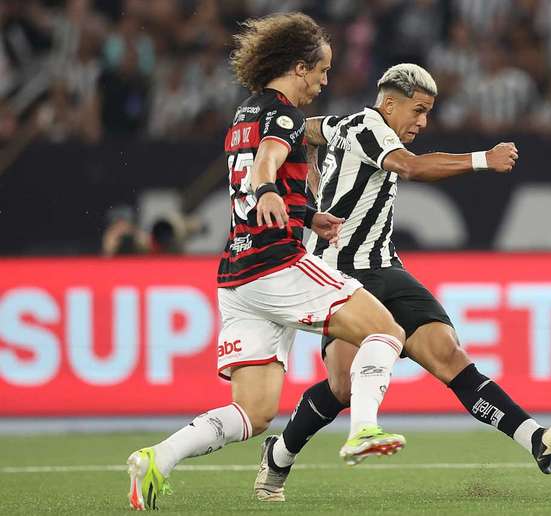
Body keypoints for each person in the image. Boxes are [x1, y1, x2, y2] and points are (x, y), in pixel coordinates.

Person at [253, 63, 551, 502]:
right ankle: (278, 455)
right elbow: (409, 169)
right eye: (418, 110)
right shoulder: (368, 126)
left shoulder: (345, 125)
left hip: (387, 268)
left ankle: (538, 440)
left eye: (428, 112)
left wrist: (311, 169)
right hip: (340, 273)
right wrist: (482, 159)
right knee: (344, 387)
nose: (423, 122)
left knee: (449, 355)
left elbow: (307, 130)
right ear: (389, 103)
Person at [126, 13, 409, 510]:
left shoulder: (243, 115)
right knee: (385, 331)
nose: (322, 83)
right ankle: (364, 428)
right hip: (276, 264)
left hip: (237, 278)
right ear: (298, 67)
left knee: (254, 413)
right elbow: (265, 165)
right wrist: (266, 188)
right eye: (320, 72)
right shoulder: (283, 114)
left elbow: (258, 171)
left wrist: (309, 214)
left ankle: (158, 458)